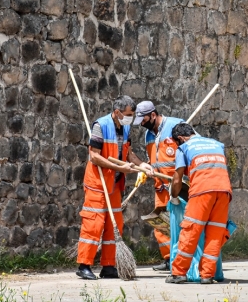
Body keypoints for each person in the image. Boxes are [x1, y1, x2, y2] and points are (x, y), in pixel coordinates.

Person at [76, 96, 154, 280]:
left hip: (114, 184)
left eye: (133, 115)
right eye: (128, 114)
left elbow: (129, 153)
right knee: (93, 224)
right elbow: (94, 156)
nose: (131, 118)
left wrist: (142, 165)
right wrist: (120, 167)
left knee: (114, 224)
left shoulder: (125, 127)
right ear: (117, 112)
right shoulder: (100, 126)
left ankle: (108, 266)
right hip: (98, 183)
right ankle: (84, 265)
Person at [165, 123, 232, 285]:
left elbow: (177, 178)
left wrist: (174, 196)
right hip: (224, 191)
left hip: (202, 190)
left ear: (180, 139)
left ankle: (179, 273)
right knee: (215, 233)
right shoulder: (217, 144)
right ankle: (207, 275)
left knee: (191, 230)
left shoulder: (184, 148)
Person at [132, 101, 185, 272]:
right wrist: (145, 167)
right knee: (162, 225)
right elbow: (155, 158)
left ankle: (183, 258)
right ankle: (169, 259)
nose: (141, 123)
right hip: (160, 186)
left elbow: (190, 149)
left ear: (153, 115)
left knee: (180, 222)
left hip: (178, 185)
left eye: (143, 119)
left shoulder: (176, 126)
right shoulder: (148, 135)